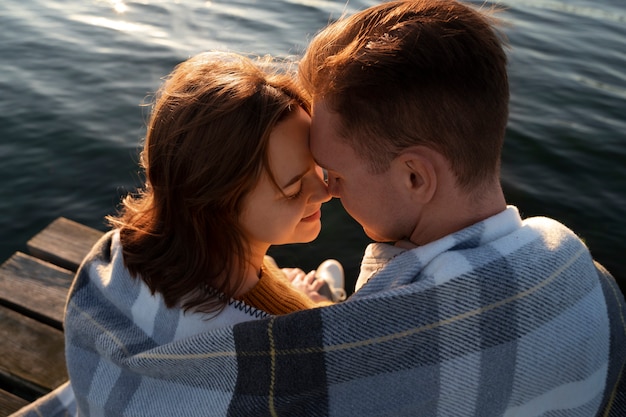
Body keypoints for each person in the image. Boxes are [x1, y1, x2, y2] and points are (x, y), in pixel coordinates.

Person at [15, 1, 625, 416]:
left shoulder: (365, 339)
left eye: (333, 174)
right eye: (306, 179)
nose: (328, 192)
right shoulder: (587, 281)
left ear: (416, 175)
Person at [11, 51, 340, 416]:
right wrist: (309, 311)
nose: (325, 192)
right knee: (324, 293)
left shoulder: (121, 251)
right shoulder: (285, 348)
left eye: (318, 168)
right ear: (218, 203)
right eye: (294, 188)